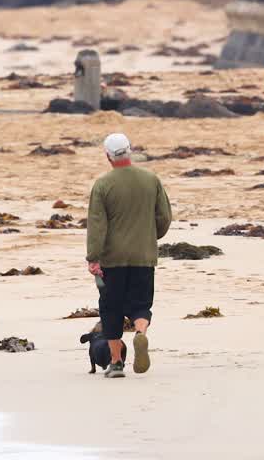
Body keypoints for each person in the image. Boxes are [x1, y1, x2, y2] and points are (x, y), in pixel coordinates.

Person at [86, 133, 173, 378]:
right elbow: (164, 217)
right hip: (143, 254)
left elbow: (97, 225)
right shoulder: (151, 179)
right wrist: (150, 237)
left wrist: (93, 257)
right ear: (130, 151)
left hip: (112, 259)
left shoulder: (103, 185)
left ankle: (115, 363)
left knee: (111, 307)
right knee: (141, 304)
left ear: (107, 156)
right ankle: (140, 335)